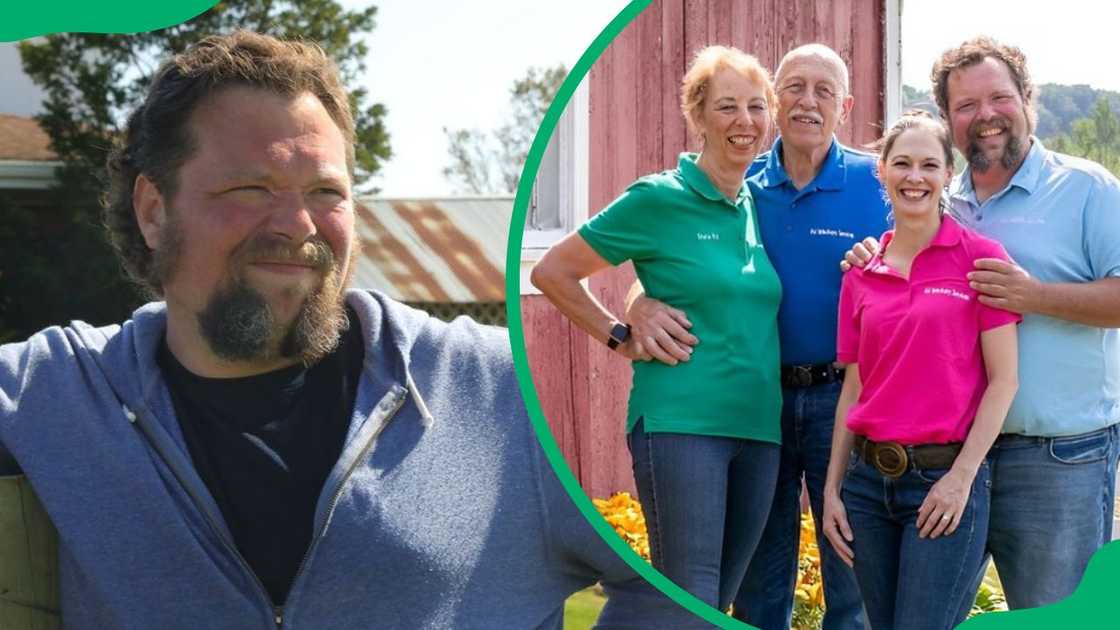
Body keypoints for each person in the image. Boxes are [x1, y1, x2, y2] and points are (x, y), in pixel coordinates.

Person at [0, 31, 696, 629]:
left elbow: (694, 580)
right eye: (250, 190)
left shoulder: (511, 393)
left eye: (326, 194)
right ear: (154, 211)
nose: (296, 226)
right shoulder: (58, 395)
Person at [845, 37, 1120, 610]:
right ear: (948, 120)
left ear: (1027, 99)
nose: (986, 116)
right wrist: (874, 256)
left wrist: (1035, 295)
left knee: (1054, 617)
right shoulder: (944, 197)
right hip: (943, 461)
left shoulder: (1086, 188)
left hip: (1054, 461)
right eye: (966, 105)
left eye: (999, 97)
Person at [625, 44, 885, 630]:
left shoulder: (878, 184)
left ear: (843, 107)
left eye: (823, 91)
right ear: (775, 101)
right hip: (756, 404)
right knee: (760, 583)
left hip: (844, 400)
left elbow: (925, 268)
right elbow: (680, 266)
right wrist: (638, 305)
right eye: (793, 87)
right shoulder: (741, 183)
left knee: (850, 572)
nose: (807, 102)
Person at [531, 46, 783, 617]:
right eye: (726, 107)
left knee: (718, 607)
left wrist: (640, 296)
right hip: (682, 424)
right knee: (688, 598)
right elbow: (554, 272)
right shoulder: (658, 198)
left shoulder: (757, 203)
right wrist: (619, 332)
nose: (744, 122)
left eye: (755, 107)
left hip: (760, 428)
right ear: (698, 115)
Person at [820, 111, 1020, 630]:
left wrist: (961, 478)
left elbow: (1004, 381)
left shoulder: (980, 260)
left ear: (946, 173)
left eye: (929, 164)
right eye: (902, 163)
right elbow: (854, 390)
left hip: (942, 481)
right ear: (882, 171)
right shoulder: (861, 274)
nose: (915, 177)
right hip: (866, 488)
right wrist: (831, 490)